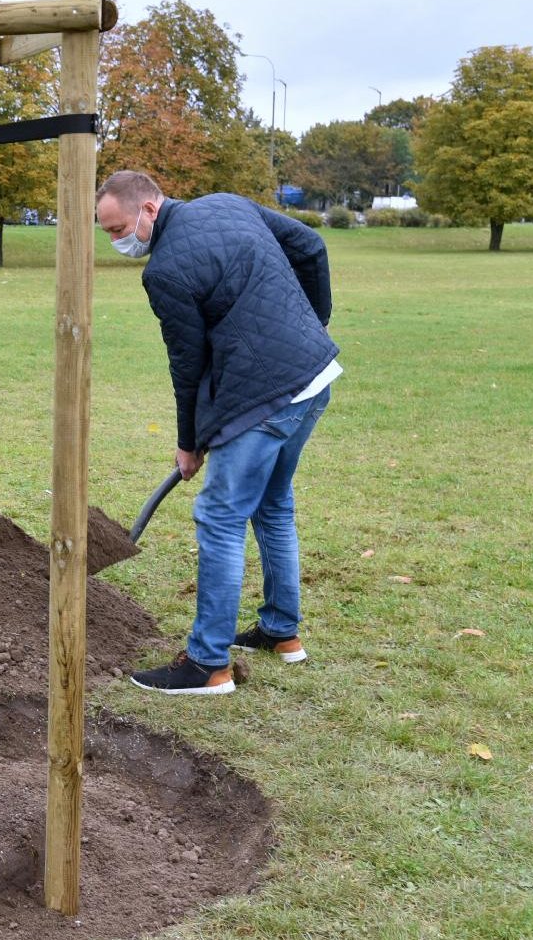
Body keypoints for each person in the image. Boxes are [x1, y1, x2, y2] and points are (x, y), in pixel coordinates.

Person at [95, 171, 341, 696]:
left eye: (118, 228)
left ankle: (207, 663)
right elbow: (311, 247)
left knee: (220, 516)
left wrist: (189, 442)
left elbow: (188, 363)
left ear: (150, 209)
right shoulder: (229, 202)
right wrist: (313, 324)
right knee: (272, 503)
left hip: (266, 395)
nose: (116, 241)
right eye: (106, 232)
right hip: (314, 377)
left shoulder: (163, 272)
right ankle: (280, 632)